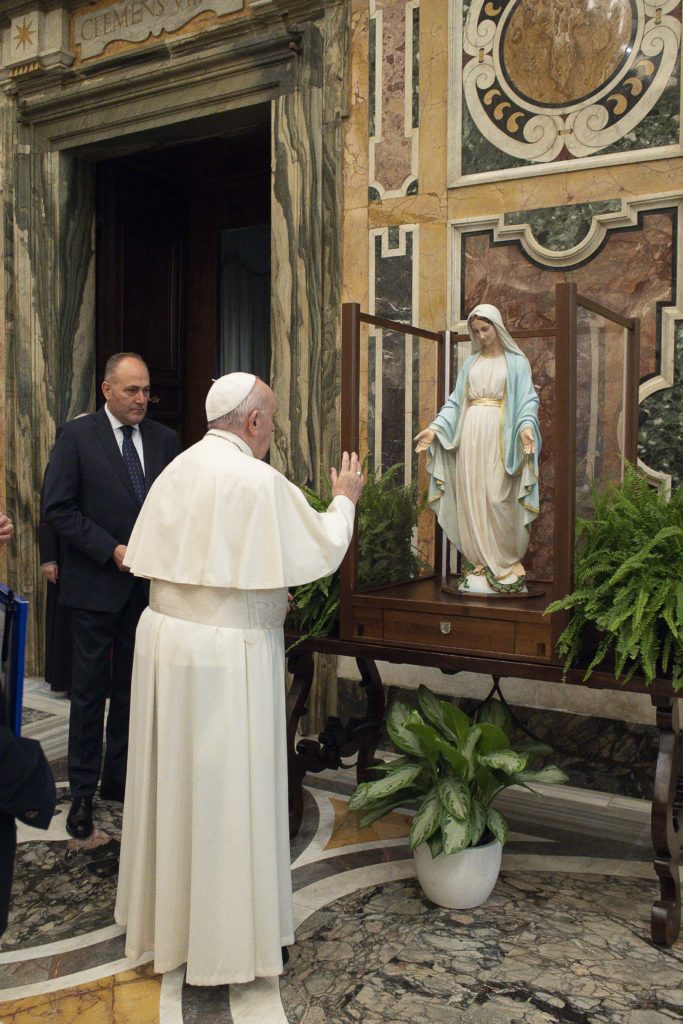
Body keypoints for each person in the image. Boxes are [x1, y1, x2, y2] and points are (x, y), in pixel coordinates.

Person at [115, 372, 364, 986]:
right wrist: (346, 497)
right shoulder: (255, 478)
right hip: (228, 658)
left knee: (176, 784)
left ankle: (168, 924)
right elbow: (323, 545)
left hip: (166, 646)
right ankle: (228, 939)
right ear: (252, 421)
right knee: (229, 793)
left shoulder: (176, 468)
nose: (273, 432)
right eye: (273, 421)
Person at [42, 354, 179, 840]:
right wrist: (110, 549)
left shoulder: (165, 441)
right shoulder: (77, 438)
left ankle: (118, 781)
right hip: (94, 586)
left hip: (147, 593)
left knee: (130, 691)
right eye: (131, 391)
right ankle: (81, 793)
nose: (141, 400)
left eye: (145, 391)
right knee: (89, 694)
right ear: (106, 390)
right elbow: (57, 509)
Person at [415, 304, 541, 594]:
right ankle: (480, 561)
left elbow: (528, 400)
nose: (482, 335)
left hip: (501, 435)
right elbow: (456, 403)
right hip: (470, 434)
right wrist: (434, 429)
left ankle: (506, 562)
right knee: (472, 495)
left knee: (498, 497)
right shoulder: (471, 364)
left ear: (497, 326)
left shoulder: (516, 362)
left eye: (486, 329)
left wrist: (525, 427)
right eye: (476, 331)